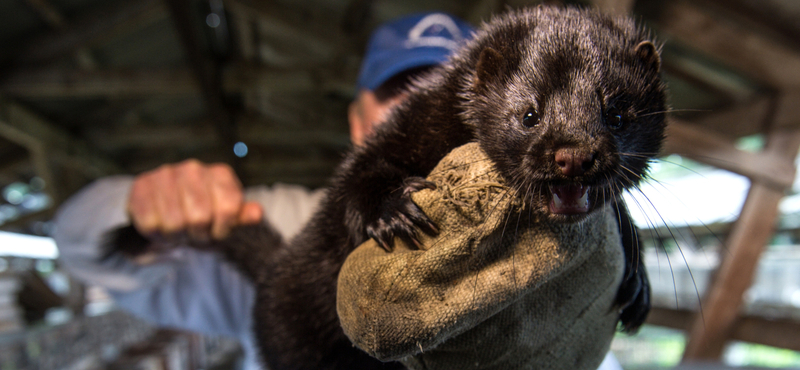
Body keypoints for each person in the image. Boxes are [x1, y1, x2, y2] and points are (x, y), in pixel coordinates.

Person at [53, 11, 624, 370]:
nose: (423, 102)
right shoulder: (287, 210)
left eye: (438, 85)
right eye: (400, 90)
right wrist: (134, 205)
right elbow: (78, 242)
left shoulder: (529, 200)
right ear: (358, 121)